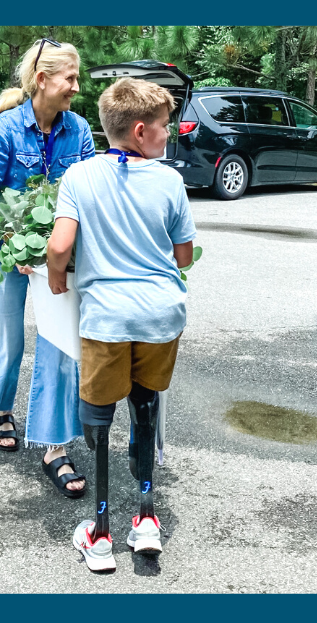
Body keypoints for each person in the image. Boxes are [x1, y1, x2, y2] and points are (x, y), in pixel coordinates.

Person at [46, 77, 196, 571]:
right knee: (146, 403)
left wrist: (55, 279)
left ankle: (102, 532)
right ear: (138, 131)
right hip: (159, 316)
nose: (168, 134)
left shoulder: (80, 177)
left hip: (107, 319)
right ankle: (147, 519)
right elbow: (184, 254)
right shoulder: (170, 180)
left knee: (99, 416)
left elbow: (60, 247)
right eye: (163, 127)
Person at [0, 39, 96, 498]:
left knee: (59, 343)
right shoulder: (6, 129)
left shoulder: (79, 130)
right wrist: (8, 239)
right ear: (42, 80)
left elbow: (84, 194)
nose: (76, 88)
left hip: (56, 257)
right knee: (9, 337)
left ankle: (53, 444)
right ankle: (1, 412)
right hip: (6, 251)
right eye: (70, 79)